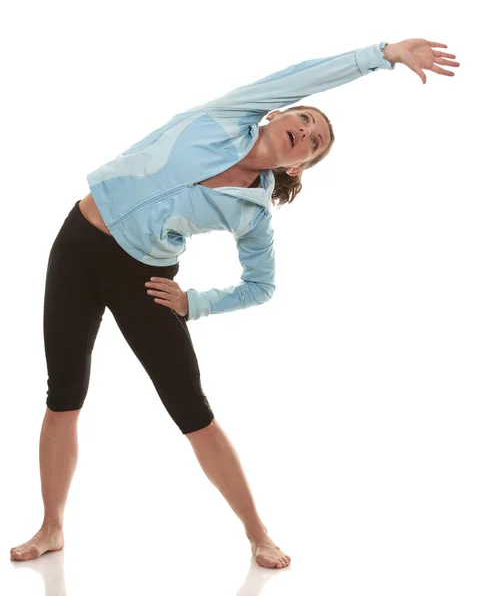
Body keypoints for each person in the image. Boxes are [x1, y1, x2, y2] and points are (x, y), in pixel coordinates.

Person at [10, 38, 459, 569]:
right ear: (278, 112)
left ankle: (258, 534)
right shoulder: (226, 115)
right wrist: (383, 54)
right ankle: (52, 527)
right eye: (305, 119)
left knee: (192, 411)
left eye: (313, 143)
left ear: (299, 167)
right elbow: (309, 75)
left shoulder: (252, 214)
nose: (306, 132)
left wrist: (193, 303)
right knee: (63, 394)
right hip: (77, 245)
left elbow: (260, 286)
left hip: (144, 279)